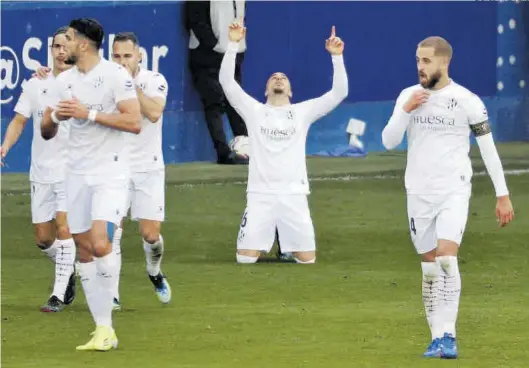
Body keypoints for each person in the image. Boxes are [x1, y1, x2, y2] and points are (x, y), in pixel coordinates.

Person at [381, 36, 515, 359]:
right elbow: (388, 140)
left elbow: (488, 149)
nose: (420, 67)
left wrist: (503, 195)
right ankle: (436, 338)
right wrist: (405, 111)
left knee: (445, 258)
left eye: (426, 61)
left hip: (454, 190)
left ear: (444, 63)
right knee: (429, 269)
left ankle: (449, 336)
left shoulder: (467, 100)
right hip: (418, 193)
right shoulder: (407, 97)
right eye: (417, 61)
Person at [40, 18, 141, 351]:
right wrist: (57, 116)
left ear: (82, 44)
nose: (62, 45)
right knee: (83, 249)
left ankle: (109, 314)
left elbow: (134, 122)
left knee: (100, 243)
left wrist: (89, 114)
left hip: (111, 171)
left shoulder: (115, 76)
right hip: (76, 173)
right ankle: (103, 329)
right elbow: (45, 129)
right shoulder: (63, 80)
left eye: (67, 39)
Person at [219, 22, 348, 264]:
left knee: (307, 260)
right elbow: (227, 82)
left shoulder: (303, 112)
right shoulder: (254, 110)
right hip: (260, 195)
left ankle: (286, 243)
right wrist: (233, 43)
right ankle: (274, 238)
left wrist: (337, 57)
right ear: (266, 90)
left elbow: (339, 93)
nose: (278, 79)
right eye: (274, 78)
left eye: (283, 78)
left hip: (294, 195)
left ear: (290, 91)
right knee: (245, 259)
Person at [0, 26, 76, 313]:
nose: (60, 51)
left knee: (64, 226)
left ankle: (57, 295)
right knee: (44, 239)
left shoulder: (83, 83)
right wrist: (5, 146)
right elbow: (19, 120)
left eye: (65, 45)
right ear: (51, 51)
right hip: (41, 170)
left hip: (71, 170)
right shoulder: (36, 84)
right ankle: (68, 270)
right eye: (56, 46)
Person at [110, 32, 172, 310]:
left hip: (148, 167)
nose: (122, 61)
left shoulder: (154, 81)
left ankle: (154, 271)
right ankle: (111, 294)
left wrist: (129, 87)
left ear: (139, 56)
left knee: (150, 235)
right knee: (113, 231)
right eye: (116, 56)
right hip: (115, 167)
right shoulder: (104, 83)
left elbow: (154, 113)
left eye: (127, 56)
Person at [185, 1, 249, 165]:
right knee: (214, 102)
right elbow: (195, 20)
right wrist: (215, 45)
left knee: (235, 102)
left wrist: (236, 48)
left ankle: (246, 149)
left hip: (233, 53)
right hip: (206, 56)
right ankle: (223, 153)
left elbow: (241, 16)